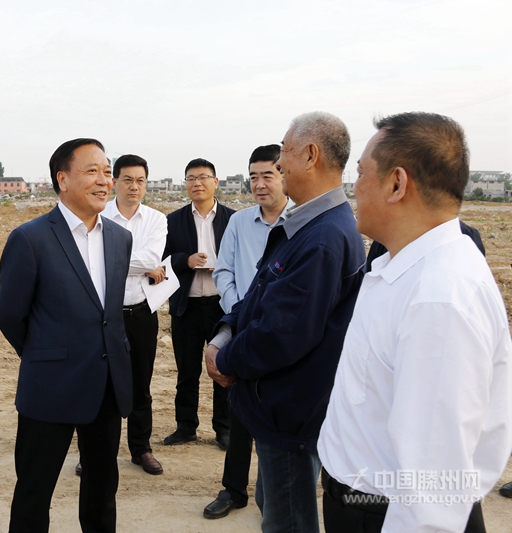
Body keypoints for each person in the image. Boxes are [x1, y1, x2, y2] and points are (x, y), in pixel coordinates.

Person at [318, 112, 512, 532]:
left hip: (383, 512)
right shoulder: (403, 267)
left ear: (396, 184)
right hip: (362, 501)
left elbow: (433, 491)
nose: (354, 187)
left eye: (361, 173)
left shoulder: (439, 299)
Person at [205, 112, 364, 533]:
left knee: (287, 522)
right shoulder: (309, 226)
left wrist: (226, 360)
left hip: (291, 411)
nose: (279, 164)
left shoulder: (323, 238)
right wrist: (226, 330)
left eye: (284, 153)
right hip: (279, 406)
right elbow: (259, 296)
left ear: (310, 155)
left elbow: (281, 333)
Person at [0, 138, 133, 533]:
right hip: (50, 386)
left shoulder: (119, 238)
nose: (104, 181)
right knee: (34, 493)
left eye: (107, 172)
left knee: (102, 493)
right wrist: (46, 353)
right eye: (92, 171)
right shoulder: (31, 238)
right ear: (63, 179)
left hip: (107, 385)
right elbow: (10, 315)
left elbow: (109, 314)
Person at [203, 144, 292, 519]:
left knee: (280, 416)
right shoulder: (239, 223)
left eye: (267, 175)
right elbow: (223, 271)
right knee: (240, 410)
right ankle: (233, 489)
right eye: (253, 177)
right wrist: (240, 310)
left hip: (285, 333)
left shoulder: (301, 222)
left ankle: (275, 497)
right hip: (243, 329)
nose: (259, 184)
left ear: (284, 175)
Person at [100, 154, 168, 475]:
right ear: (114, 181)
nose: (134, 186)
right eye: (127, 179)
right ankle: (97, 451)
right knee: (103, 385)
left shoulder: (156, 219)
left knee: (141, 385)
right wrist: (141, 266)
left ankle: (141, 449)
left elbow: (152, 258)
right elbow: (92, 259)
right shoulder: (99, 215)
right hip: (104, 315)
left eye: (140, 180)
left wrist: (114, 261)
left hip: (141, 314)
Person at [162, 158, 235, 450]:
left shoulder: (232, 219)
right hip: (187, 305)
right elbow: (163, 260)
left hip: (222, 306)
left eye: (203, 177)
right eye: (191, 178)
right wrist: (186, 260)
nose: (197, 183)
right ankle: (185, 426)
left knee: (222, 369)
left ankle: (224, 429)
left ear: (215, 182)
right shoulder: (173, 221)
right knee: (187, 370)